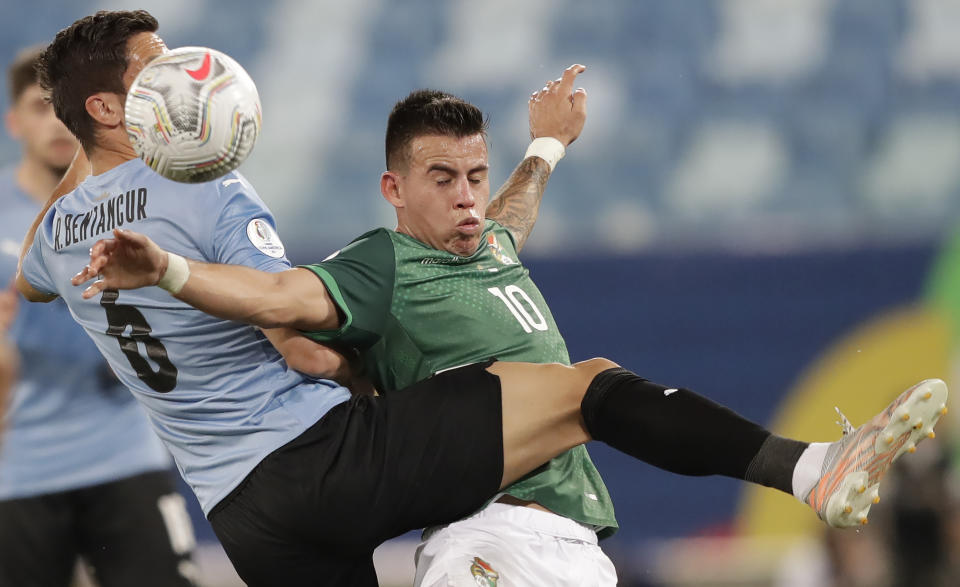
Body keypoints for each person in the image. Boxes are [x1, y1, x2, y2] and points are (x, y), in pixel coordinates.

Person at [17, 9, 948, 587]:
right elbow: (292, 331)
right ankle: (809, 469)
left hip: (242, 516)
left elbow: (25, 277)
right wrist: (192, 280)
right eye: (158, 66)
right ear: (108, 109)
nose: (189, 73)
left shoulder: (58, 237)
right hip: (311, 458)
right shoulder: (207, 188)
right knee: (583, 390)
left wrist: (85, 178)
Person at [0, 45, 197, 587]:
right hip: (17, 473)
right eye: (41, 107)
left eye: (67, 107)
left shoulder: (146, 201)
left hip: (123, 454)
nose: (58, 122)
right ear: (13, 122)